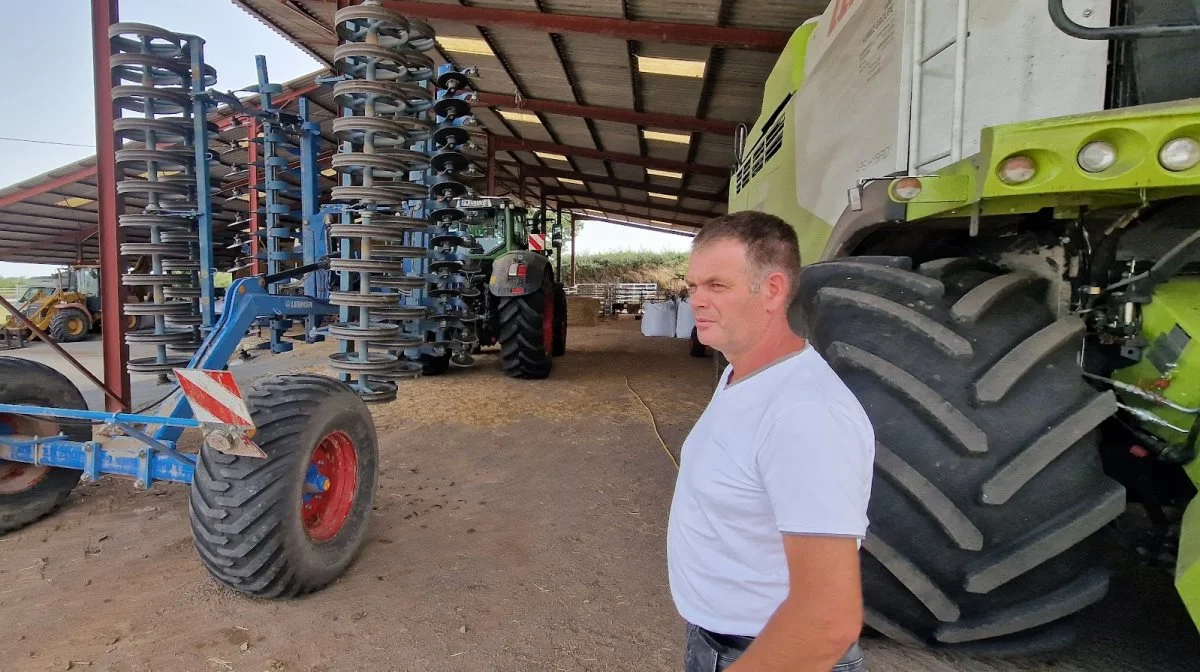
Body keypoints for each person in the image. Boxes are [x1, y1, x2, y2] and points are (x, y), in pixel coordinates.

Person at [667, 211, 875, 672]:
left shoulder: (805, 414)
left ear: (774, 290)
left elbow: (826, 620)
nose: (696, 300)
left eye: (717, 286)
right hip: (721, 638)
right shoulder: (741, 375)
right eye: (694, 285)